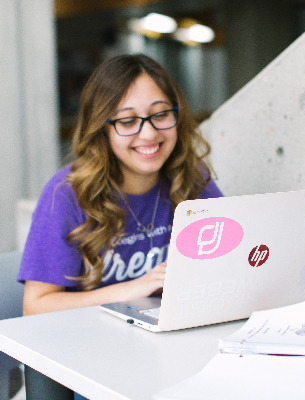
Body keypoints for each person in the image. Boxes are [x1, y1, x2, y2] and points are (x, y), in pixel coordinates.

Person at [17, 54, 222, 399]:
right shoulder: (66, 195)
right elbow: (35, 305)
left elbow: (226, 261)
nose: (149, 132)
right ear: (103, 128)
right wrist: (132, 289)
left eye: (160, 114)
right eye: (128, 121)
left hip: (169, 354)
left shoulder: (192, 179)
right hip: (92, 363)